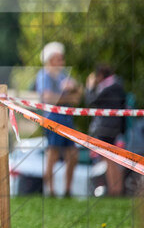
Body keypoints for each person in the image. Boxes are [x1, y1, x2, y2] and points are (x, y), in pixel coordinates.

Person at [34, 41, 82, 197]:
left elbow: (77, 98)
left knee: (73, 155)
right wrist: (67, 96)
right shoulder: (43, 75)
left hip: (66, 118)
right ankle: (51, 190)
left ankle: (68, 190)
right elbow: (47, 97)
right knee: (53, 154)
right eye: (59, 58)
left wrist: (66, 95)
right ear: (50, 59)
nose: (62, 61)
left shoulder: (62, 75)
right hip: (52, 118)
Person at [85, 62, 127, 196]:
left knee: (110, 160)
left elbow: (90, 101)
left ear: (101, 75)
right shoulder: (118, 85)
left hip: (105, 129)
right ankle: (118, 189)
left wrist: (90, 87)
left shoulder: (106, 88)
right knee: (116, 160)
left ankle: (115, 190)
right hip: (117, 128)